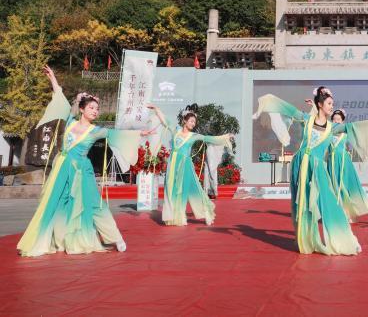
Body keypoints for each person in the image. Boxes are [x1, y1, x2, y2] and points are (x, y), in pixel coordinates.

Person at [18, 66, 151, 257]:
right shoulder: (70, 122)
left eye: (97, 109)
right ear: (81, 109)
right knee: (57, 202)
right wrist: (52, 78)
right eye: (91, 108)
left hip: (82, 171)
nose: (95, 111)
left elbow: (117, 134)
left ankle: (115, 237)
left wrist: (139, 133)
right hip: (62, 167)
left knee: (94, 203)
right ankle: (61, 239)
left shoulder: (96, 131)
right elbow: (61, 100)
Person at [253, 87, 368, 255]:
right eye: (329, 103)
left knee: (330, 201)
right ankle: (306, 240)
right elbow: (289, 110)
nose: (332, 106)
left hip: (318, 167)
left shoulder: (332, 127)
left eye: (332, 104)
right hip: (301, 164)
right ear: (320, 104)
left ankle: (344, 239)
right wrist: (270, 100)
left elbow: (349, 127)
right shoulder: (307, 119)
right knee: (302, 204)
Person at [147, 104, 233, 227]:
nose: (193, 124)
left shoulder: (193, 136)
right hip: (173, 165)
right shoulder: (175, 130)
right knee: (171, 190)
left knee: (192, 189)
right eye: (191, 121)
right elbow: (165, 120)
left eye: (194, 122)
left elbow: (208, 138)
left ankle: (206, 213)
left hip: (185, 166)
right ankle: (174, 217)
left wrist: (225, 137)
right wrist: (156, 109)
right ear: (185, 121)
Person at [328, 109, 368, 224]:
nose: (336, 121)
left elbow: (360, 130)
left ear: (342, 121)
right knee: (334, 188)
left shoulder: (346, 131)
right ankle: (344, 214)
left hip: (344, 163)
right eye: (334, 119)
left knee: (351, 187)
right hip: (332, 163)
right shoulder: (328, 131)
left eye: (338, 119)